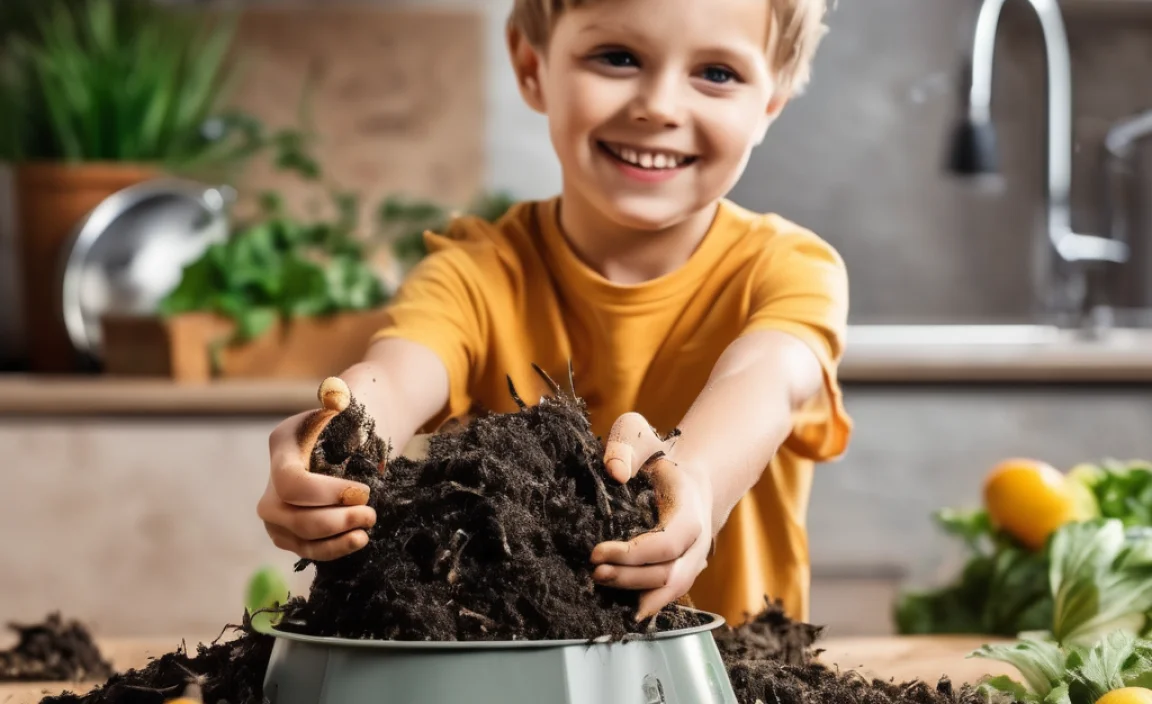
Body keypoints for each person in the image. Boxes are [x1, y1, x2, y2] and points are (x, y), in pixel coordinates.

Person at [257, 0, 851, 627]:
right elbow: (399, 372)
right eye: (617, 58)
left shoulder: (789, 270)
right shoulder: (476, 272)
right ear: (531, 65)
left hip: (737, 675)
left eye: (718, 74)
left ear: (772, 101)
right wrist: (334, 438)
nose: (660, 106)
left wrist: (695, 481)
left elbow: (766, 379)